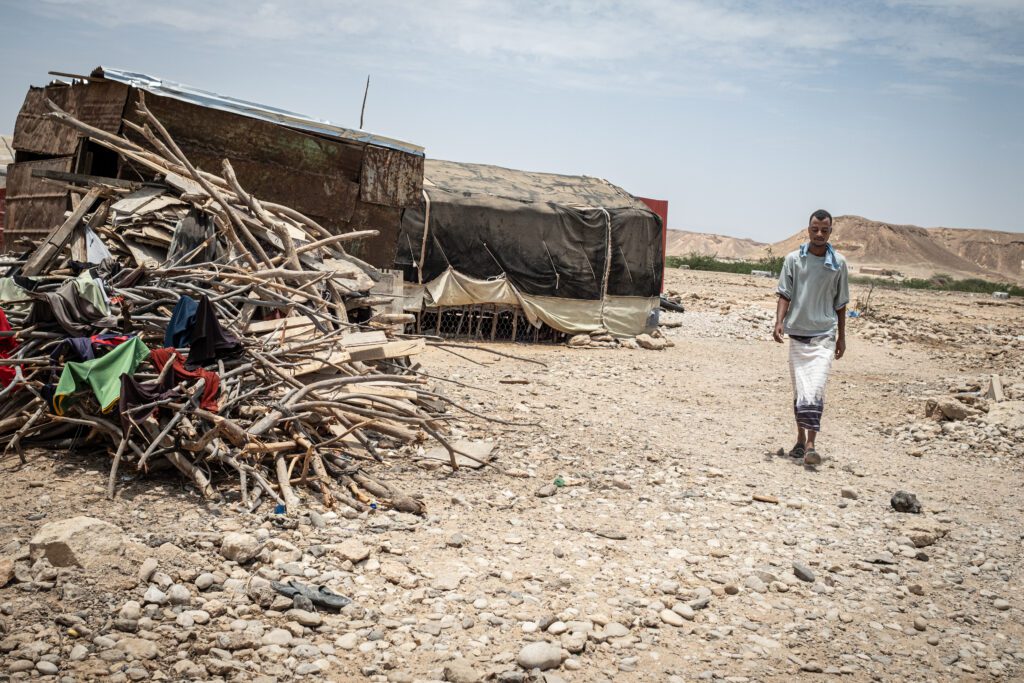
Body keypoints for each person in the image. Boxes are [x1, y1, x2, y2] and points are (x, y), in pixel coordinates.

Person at [773, 209, 849, 465]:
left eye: (824, 230)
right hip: (799, 334)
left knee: (815, 389)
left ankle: (811, 445)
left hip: (825, 335)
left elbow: (841, 304)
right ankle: (799, 439)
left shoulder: (839, 263)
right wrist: (779, 322)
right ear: (808, 229)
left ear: (830, 231)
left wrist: (842, 337)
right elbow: (785, 293)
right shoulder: (793, 259)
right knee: (801, 390)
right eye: (815, 229)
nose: (819, 234)